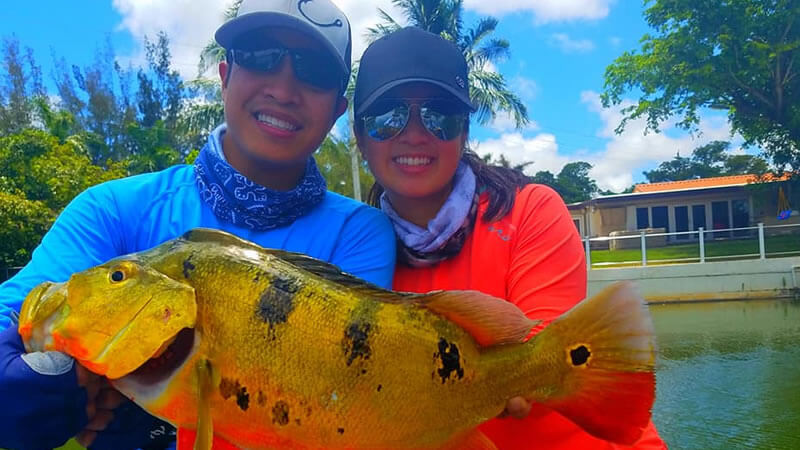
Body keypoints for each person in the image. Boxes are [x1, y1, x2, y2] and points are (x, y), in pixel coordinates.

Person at [0, 1, 396, 449]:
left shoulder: (361, 234)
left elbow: (338, 400)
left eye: (315, 70)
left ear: (337, 111)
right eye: (260, 55)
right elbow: (15, 313)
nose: (284, 88)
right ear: (225, 76)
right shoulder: (110, 209)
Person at [353, 26, 666, 449]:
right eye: (388, 115)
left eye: (439, 114)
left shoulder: (531, 211)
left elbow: (547, 362)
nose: (413, 132)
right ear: (359, 137)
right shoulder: (353, 248)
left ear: (463, 132)